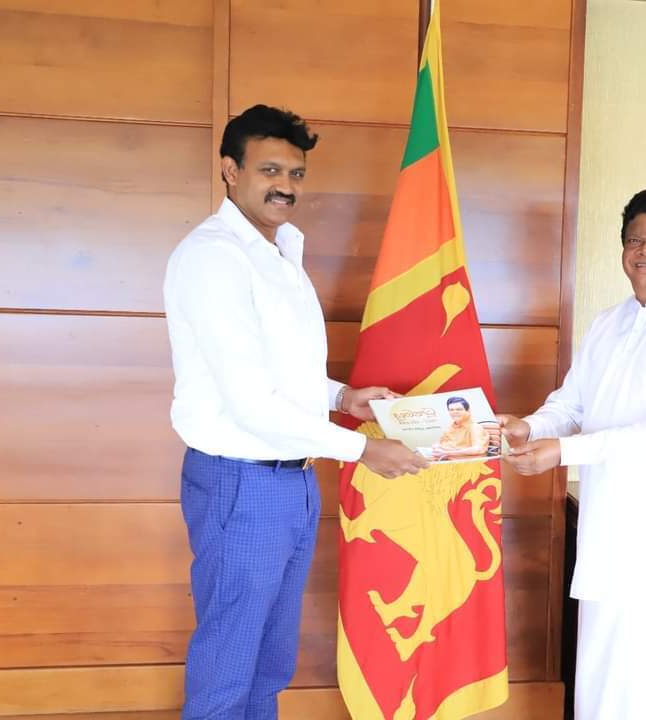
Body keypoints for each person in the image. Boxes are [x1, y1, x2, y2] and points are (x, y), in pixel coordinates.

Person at [163, 104, 428, 720]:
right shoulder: (214, 257)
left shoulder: (280, 250)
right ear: (230, 170)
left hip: (293, 479)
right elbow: (250, 402)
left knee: (270, 662)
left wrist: (342, 398)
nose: (285, 185)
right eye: (269, 170)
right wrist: (364, 450)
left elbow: (281, 374)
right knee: (229, 664)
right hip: (242, 482)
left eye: (296, 173)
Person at [500, 187, 646, 719]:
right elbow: (572, 404)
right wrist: (528, 427)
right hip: (609, 533)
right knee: (606, 678)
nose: (645, 251)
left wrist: (562, 451)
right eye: (634, 240)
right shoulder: (609, 323)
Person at [431, 396, 489, 460]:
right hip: (444, 457)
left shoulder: (475, 427)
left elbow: (477, 449)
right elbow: (441, 442)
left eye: (459, 409)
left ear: (468, 411)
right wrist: (436, 446)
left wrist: (447, 453)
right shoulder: (451, 427)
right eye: (451, 410)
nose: (455, 412)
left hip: (463, 461)